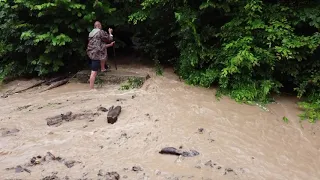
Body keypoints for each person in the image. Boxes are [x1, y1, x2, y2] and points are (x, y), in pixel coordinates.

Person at [86, 21, 115, 89]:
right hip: (96, 54)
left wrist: (110, 45)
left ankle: (102, 69)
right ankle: (91, 89)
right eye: (101, 25)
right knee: (94, 72)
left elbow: (100, 45)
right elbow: (110, 39)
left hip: (89, 53)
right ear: (99, 26)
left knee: (93, 70)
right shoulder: (100, 32)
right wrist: (110, 33)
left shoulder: (91, 33)